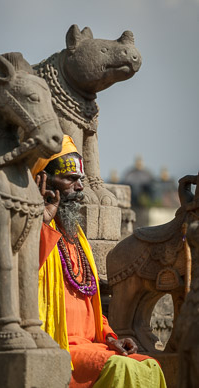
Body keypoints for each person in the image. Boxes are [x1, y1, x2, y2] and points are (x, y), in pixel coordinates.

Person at [32, 135, 167, 388]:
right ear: (43, 181)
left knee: (149, 366)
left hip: (91, 345)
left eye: (81, 180)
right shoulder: (28, 228)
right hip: (55, 345)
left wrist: (110, 337)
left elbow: (89, 301)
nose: (80, 187)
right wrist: (41, 222)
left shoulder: (76, 237)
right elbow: (24, 273)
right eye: (70, 179)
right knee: (121, 367)